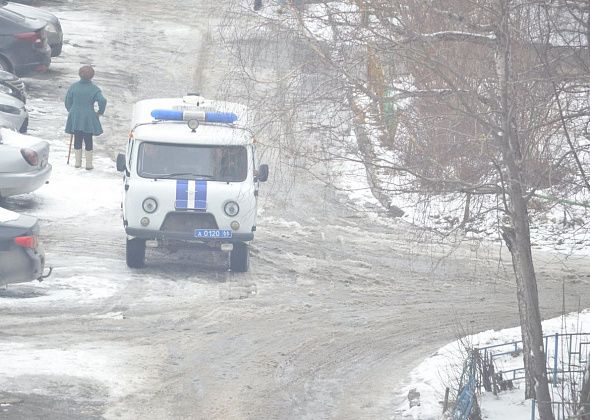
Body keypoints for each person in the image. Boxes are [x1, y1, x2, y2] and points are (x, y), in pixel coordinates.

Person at [64, 65, 107, 170]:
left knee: (77, 138)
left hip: (75, 116)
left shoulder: (73, 87)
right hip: (88, 116)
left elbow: (67, 101)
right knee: (88, 139)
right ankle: (89, 164)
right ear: (92, 76)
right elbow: (103, 100)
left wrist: (72, 110)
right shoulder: (94, 89)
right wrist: (100, 112)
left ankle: (77, 163)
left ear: (79, 74)